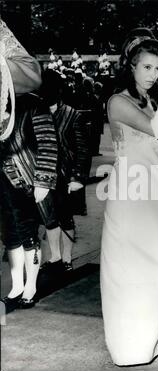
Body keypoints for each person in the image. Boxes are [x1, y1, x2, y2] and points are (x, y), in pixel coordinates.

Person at [100, 28, 158, 366]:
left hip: (152, 191)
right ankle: (132, 346)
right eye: (147, 67)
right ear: (131, 66)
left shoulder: (148, 99)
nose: (153, 75)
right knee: (129, 273)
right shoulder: (118, 101)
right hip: (129, 195)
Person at [0, 19, 58, 312]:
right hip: (3, 181)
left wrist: (43, 181)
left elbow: (48, 143)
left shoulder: (34, 103)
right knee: (9, 234)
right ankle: (16, 286)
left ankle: (31, 286)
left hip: (25, 178)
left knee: (26, 232)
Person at [38, 69, 90, 272]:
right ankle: (55, 257)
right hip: (44, 176)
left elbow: (82, 150)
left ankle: (66, 258)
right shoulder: (36, 112)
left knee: (66, 218)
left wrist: (77, 177)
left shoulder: (72, 114)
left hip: (66, 177)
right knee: (49, 218)